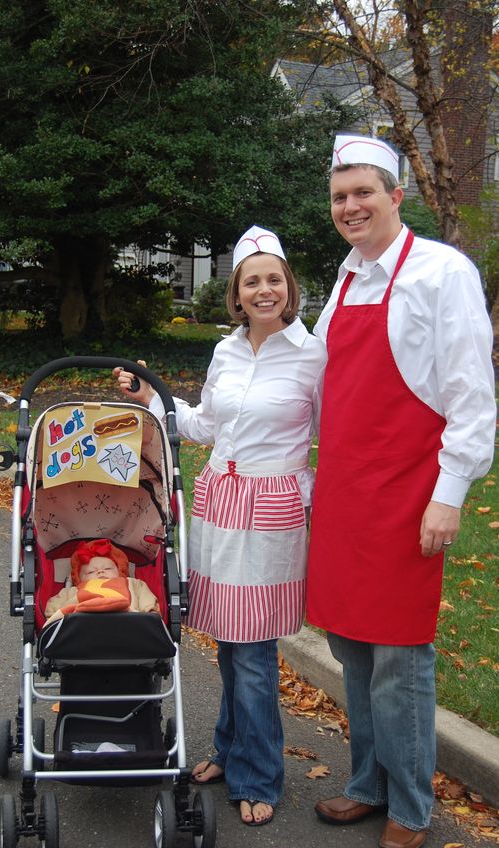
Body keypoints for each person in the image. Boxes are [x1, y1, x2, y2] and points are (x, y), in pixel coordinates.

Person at [306, 134, 496, 848]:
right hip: (347, 492)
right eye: (339, 196)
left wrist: (448, 496)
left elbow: (472, 399)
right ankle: (367, 784)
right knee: (351, 650)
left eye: (363, 193)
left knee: (400, 657)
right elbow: (321, 384)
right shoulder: (350, 276)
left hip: (409, 495)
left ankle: (411, 807)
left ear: (396, 196)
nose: (350, 206)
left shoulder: (442, 272)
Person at [114, 225, 326, 826]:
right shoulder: (227, 350)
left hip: (272, 510)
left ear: (289, 287)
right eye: (251, 281)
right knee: (230, 648)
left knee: (254, 652)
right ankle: (230, 752)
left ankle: (260, 774)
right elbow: (205, 424)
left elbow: (330, 438)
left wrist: (303, 494)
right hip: (217, 502)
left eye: (273, 280)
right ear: (236, 292)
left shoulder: (314, 355)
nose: (264, 291)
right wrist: (150, 394)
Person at [44, 538, 160, 623]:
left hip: (130, 620)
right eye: (90, 572)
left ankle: (105, 605)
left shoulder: (132, 583)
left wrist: (151, 612)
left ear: (120, 571)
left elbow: (146, 598)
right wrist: (52, 619)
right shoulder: (72, 590)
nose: (100, 572)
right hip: (79, 622)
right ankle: (95, 606)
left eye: (108, 568)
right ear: (79, 579)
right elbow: (53, 607)